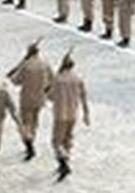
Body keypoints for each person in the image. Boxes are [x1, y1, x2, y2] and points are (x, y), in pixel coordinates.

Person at [8, 40, 54, 161]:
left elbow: (16, 81)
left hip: (27, 97)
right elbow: (52, 78)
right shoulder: (45, 64)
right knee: (34, 121)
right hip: (40, 97)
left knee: (26, 122)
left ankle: (28, 143)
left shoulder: (26, 65)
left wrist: (11, 75)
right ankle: (31, 139)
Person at [48, 52, 89, 181]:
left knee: (56, 141)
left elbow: (50, 96)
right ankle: (66, 159)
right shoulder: (78, 79)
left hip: (60, 113)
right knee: (68, 139)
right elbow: (84, 97)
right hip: (73, 113)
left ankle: (63, 162)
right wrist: (86, 114)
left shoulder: (58, 79)